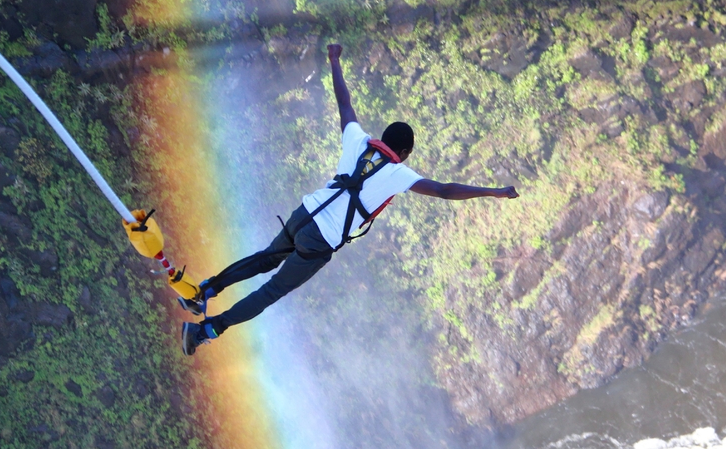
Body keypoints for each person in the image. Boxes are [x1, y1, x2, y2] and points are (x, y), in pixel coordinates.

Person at [181, 43, 518, 355]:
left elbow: (344, 103)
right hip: (320, 240)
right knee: (270, 291)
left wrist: (334, 60)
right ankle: (205, 331)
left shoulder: (359, 140)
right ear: (404, 152)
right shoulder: (399, 173)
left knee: (266, 257)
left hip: (306, 212)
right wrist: (495, 192)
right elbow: (445, 190)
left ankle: (205, 291)